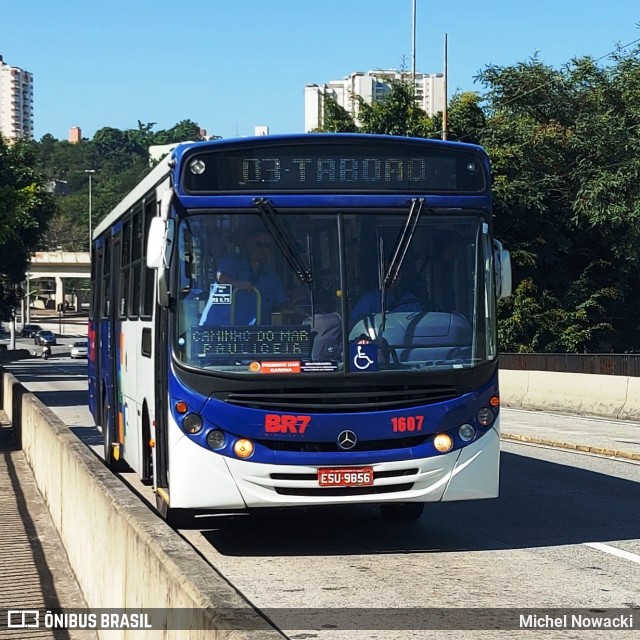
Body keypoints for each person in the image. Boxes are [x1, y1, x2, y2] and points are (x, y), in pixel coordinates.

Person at [199, 223, 289, 326]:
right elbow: (221, 276)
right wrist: (237, 283)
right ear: (248, 244)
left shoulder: (271, 276)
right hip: (220, 333)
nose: (263, 249)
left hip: (253, 335)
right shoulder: (232, 261)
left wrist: (294, 306)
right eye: (258, 244)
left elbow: (281, 303)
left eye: (267, 246)